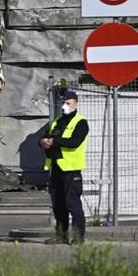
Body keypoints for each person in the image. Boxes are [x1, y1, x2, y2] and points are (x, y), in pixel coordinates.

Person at [39, 89, 89, 244]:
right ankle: (61, 236)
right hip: (56, 168)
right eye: (63, 102)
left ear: (76, 104)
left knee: (72, 204)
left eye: (68, 103)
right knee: (58, 205)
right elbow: (44, 136)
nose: (64, 105)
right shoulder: (57, 121)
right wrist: (43, 142)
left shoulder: (80, 122)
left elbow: (75, 142)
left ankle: (78, 237)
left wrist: (55, 141)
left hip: (71, 170)